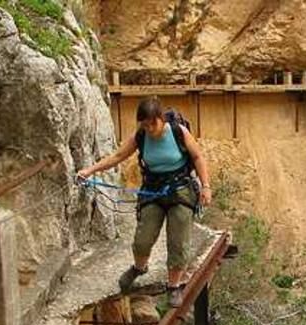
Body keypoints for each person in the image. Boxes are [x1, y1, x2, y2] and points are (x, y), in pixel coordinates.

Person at [77, 97, 212, 307]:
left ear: (161, 119)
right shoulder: (140, 136)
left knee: (178, 241)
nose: (149, 129)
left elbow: (197, 157)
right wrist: (90, 171)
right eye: (145, 124)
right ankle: (139, 267)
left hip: (180, 191)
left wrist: (205, 186)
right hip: (153, 191)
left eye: (152, 124)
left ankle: (174, 286)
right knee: (142, 239)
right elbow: (117, 156)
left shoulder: (178, 133)